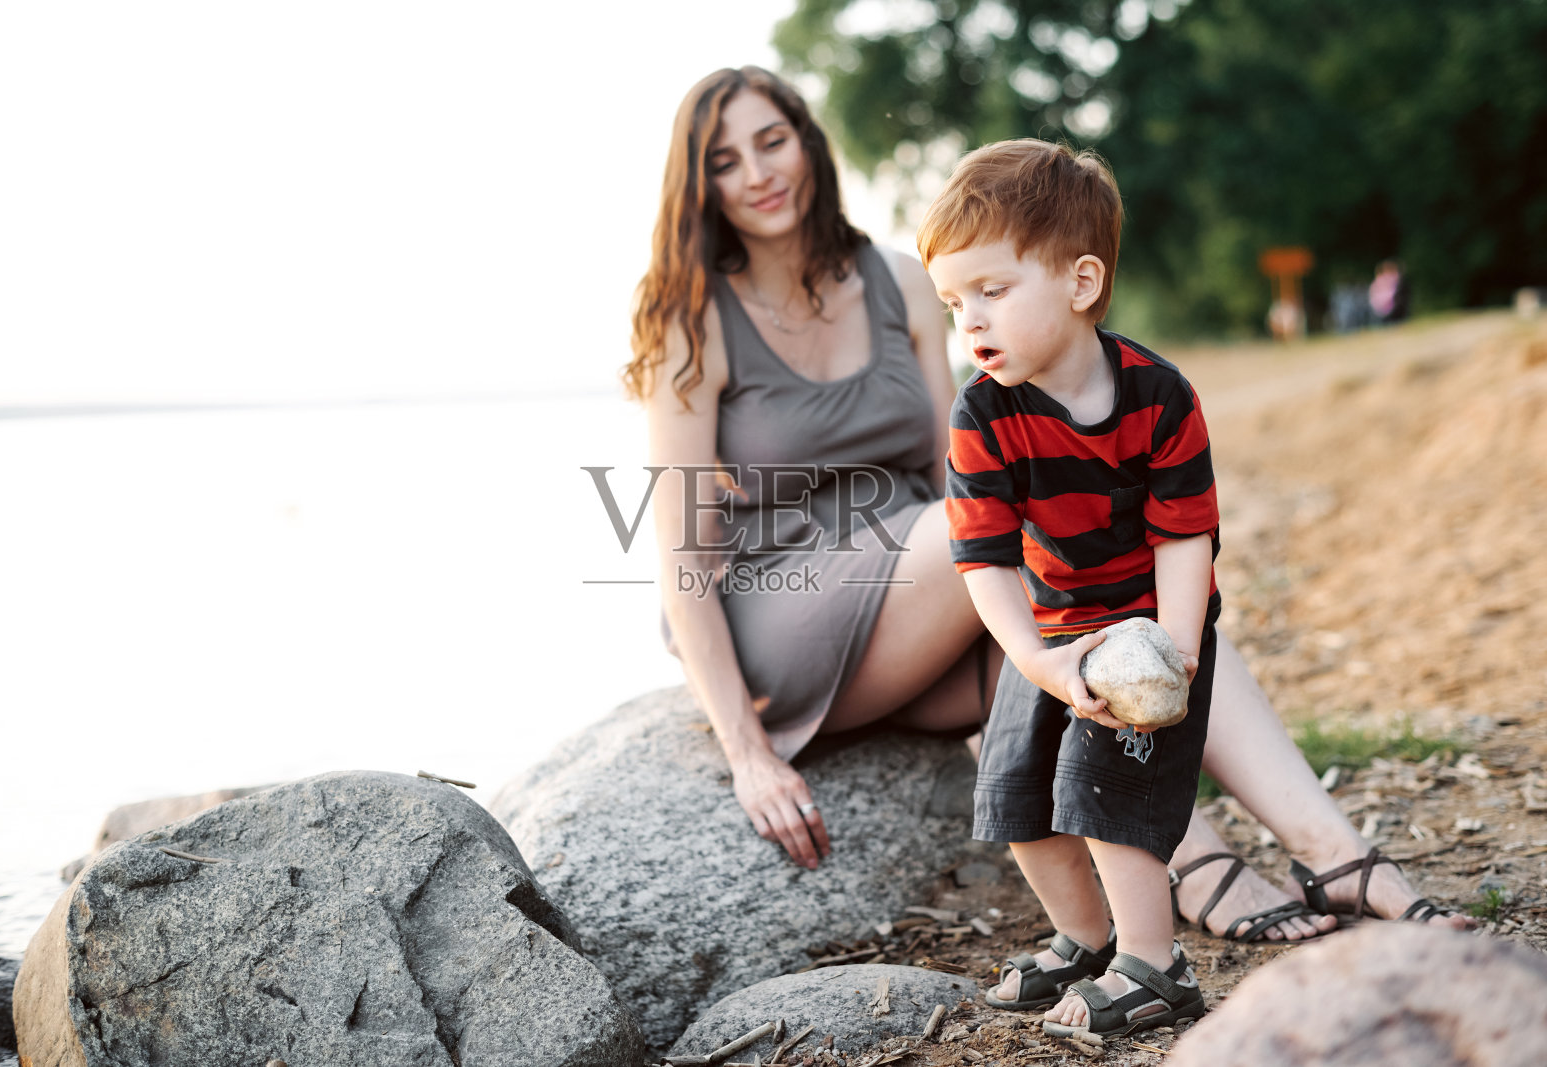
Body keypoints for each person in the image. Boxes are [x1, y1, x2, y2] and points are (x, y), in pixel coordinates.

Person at [622, 65, 1471, 951]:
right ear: (698, 184)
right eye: (724, 160)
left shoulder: (903, 281)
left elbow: (943, 459)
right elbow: (684, 552)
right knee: (1060, 558)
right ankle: (1204, 868)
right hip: (783, 607)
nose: (757, 173)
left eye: (773, 140)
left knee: (1115, 611)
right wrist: (746, 751)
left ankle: (1326, 849)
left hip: (923, 600)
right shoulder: (693, 316)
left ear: (807, 141)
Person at [926, 138, 1217, 1034]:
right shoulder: (982, 411)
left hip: (1141, 632)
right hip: (1052, 630)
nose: (970, 320)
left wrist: (1171, 656)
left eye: (992, 291)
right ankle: (1083, 938)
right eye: (953, 302)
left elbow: (1184, 537)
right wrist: (1040, 661)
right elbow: (984, 557)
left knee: (1106, 794)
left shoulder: (1158, 398)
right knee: (1016, 791)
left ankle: (1155, 962)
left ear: (1081, 283)